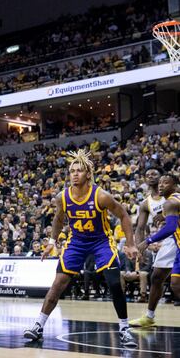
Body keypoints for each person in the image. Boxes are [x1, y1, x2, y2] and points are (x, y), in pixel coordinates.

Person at [23, 149, 137, 347]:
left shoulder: (101, 196)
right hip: (76, 242)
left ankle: (124, 328)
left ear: (88, 174)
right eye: (72, 171)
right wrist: (51, 242)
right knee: (58, 282)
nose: (75, 174)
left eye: (79, 170)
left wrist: (130, 243)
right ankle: (38, 326)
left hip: (101, 241)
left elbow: (124, 215)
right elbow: (58, 220)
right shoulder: (62, 197)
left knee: (114, 283)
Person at [130, 169, 178, 327]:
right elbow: (139, 228)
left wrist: (150, 239)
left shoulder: (173, 197)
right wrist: (139, 248)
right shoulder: (146, 203)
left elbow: (171, 220)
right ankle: (149, 317)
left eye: (154, 174)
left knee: (174, 283)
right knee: (156, 277)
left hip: (170, 236)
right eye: (148, 175)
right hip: (167, 240)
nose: (151, 177)